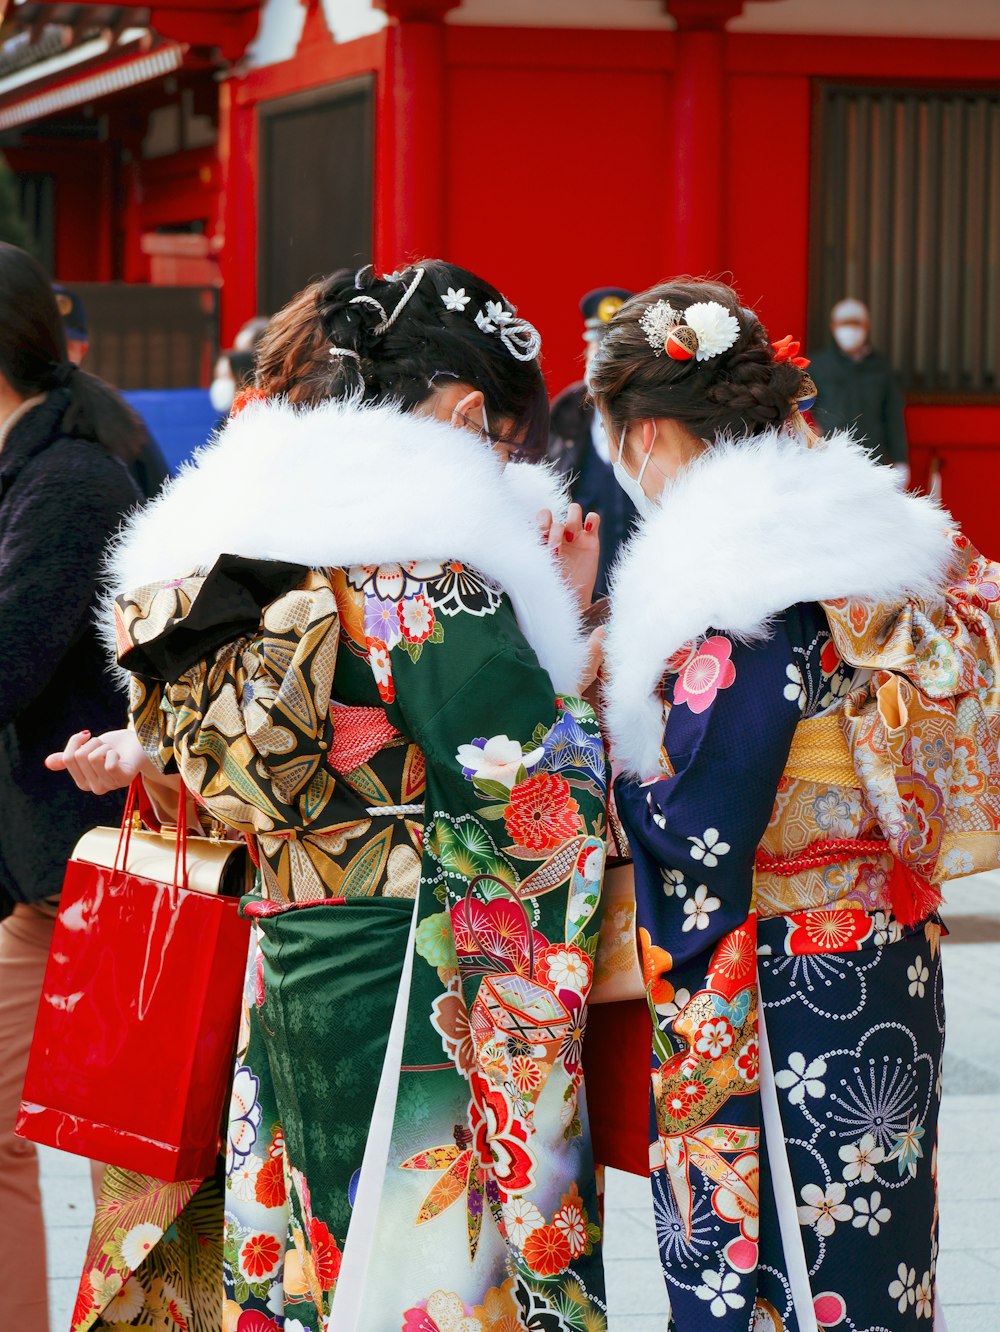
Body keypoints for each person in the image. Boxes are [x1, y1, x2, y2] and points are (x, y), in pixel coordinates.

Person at [48, 260, 610, 1331]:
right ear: (460, 410)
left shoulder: (244, 560)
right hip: (407, 976)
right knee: (416, 1259)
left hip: (287, 957)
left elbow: (218, 750)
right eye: (499, 437)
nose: (502, 461)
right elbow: (530, 794)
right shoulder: (423, 578)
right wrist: (573, 664)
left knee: (311, 1244)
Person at [586, 277, 999, 1330]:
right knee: (874, 1247)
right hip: (884, 956)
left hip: (786, 979)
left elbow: (699, 818)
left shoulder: (740, 573)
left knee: (786, 1251)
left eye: (614, 433)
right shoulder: (852, 533)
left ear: (652, 434)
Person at [0, 245, 141, 1332]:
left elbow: (10, 657)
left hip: (103, 863)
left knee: (124, 1157)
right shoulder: (31, 462)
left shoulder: (72, 479)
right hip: (42, 867)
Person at [548, 287, 636, 597]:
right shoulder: (564, 413)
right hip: (582, 589)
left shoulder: (651, 413)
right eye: (597, 345)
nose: (602, 355)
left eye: (614, 348)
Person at [53, 281, 170, 499]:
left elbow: (161, 496)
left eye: (68, 345)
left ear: (83, 349)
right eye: (53, 343)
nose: (60, 354)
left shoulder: (116, 415)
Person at [808, 297, 908, 474]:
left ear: (866, 326)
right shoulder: (818, 366)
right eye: (844, 323)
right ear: (833, 326)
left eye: (855, 323)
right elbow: (803, 410)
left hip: (872, 459)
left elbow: (893, 416)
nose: (850, 330)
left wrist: (900, 460)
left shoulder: (880, 368)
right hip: (829, 460)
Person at [209, 345, 257, 417]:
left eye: (226, 376)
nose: (220, 384)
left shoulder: (259, 419)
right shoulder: (221, 424)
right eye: (217, 377)